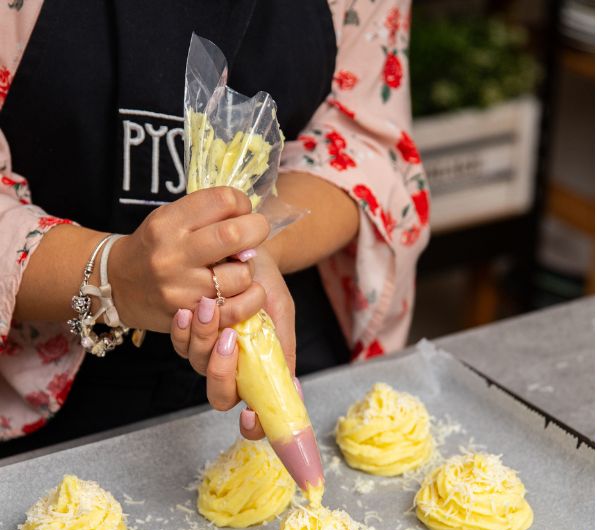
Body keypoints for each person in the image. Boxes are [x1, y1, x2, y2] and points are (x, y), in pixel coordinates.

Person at [0, 0, 430, 456]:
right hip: (55, 385)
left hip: (285, 331)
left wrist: (248, 251)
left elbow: (365, 145)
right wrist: (113, 274)